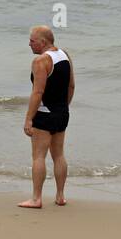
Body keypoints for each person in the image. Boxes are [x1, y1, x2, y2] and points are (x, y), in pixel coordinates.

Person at [19, 25, 73, 209]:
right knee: (59, 155)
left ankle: (36, 199)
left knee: (38, 156)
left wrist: (28, 118)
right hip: (62, 112)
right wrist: (64, 107)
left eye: (32, 41)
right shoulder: (65, 55)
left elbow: (38, 92)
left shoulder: (41, 61)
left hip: (44, 114)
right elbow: (71, 86)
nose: (29, 44)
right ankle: (60, 196)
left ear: (43, 42)